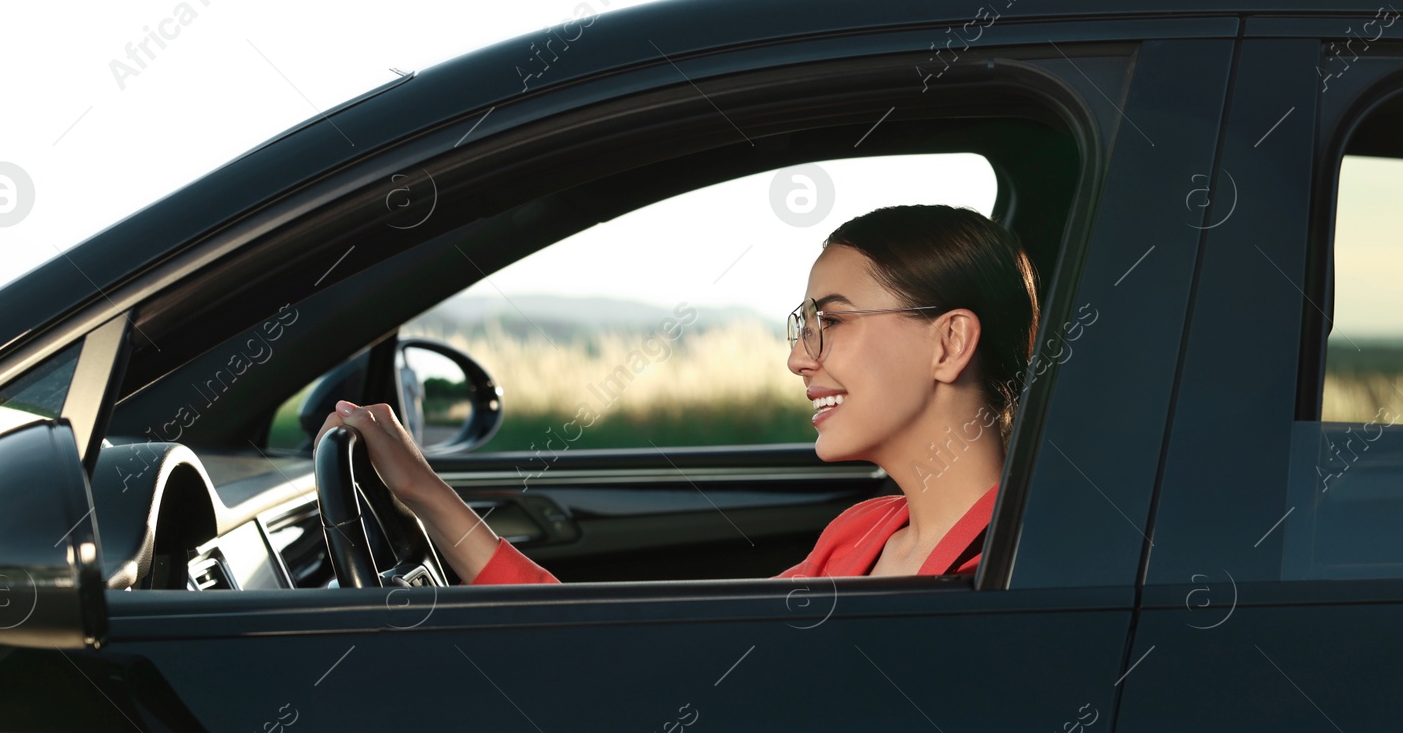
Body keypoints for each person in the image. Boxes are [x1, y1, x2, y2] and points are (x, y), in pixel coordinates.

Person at [314, 204, 1039, 585]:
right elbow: (659, 653)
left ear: (949, 343)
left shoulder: (1011, 577)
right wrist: (422, 490)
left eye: (833, 321)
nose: (797, 357)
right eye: (802, 325)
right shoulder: (865, 533)